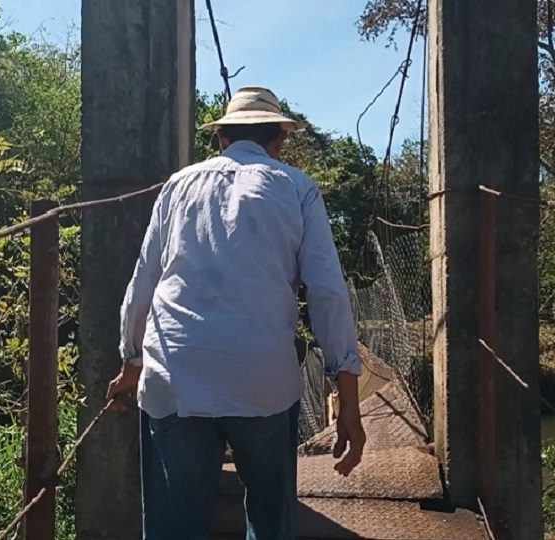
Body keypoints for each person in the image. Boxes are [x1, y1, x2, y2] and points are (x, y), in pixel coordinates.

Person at [105, 86, 366, 540]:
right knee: (270, 519)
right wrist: (348, 400)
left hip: (175, 375)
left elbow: (143, 282)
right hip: (262, 378)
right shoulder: (297, 188)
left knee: (172, 528)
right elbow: (328, 293)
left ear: (221, 138)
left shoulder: (177, 186)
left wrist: (131, 362)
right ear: (278, 140)